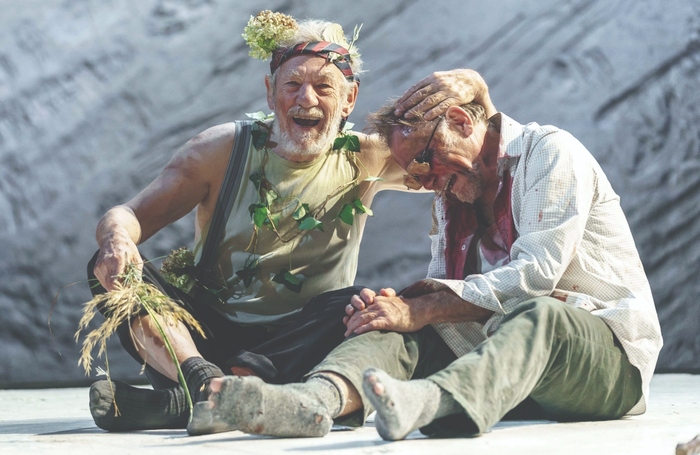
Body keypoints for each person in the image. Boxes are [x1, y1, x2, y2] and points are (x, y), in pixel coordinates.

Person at [86, 10, 494, 433]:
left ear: (349, 99)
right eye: (292, 85)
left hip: (301, 341)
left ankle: (186, 404)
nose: (307, 100)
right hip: (198, 340)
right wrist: (117, 239)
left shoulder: (368, 155)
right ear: (269, 92)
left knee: (359, 302)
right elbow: (127, 215)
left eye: (323, 87)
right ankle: (201, 381)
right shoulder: (220, 150)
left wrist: (479, 93)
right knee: (111, 269)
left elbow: (470, 165)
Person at [191, 76, 663, 440]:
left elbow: (536, 276)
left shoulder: (550, 153)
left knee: (541, 313)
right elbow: (444, 296)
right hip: (507, 374)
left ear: (461, 122)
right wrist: (395, 311)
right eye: (412, 167)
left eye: (425, 158)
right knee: (394, 321)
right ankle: (313, 401)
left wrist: (421, 306)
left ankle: (429, 399)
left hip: (605, 366)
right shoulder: (450, 196)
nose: (420, 178)